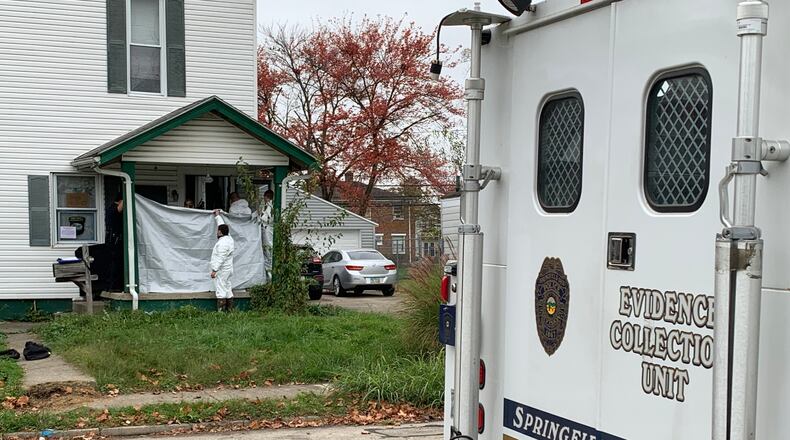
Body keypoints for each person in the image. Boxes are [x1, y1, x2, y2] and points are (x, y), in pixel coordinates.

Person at [210, 210, 235, 311]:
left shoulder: (222, 244)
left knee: (220, 289)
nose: (217, 231)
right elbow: (222, 225)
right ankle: (230, 310)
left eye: (218, 230)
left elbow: (221, 258)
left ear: (220, 232)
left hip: (222, 270)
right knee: (227, 288)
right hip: (228, 270)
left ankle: (221, 312)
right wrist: (217, 216)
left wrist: (214, 270)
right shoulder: (229, 238)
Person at [104, 193, 124, 291]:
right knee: (115, 264)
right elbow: (119, 209)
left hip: (112, 240)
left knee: (115, 264)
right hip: (114, 241)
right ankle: (113, 287)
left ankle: (113, 286)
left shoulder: (110, 208)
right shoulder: (113, 209)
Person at [259, 190, 274, 280]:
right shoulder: (266, 206)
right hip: (265, 230)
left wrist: (260, 215)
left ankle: (270, 277)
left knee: (268, 252)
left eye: (264, 197)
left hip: (268, 230)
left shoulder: (270, 207)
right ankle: (268, 276)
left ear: (267, 197)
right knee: (266, 252)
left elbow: (268, 219)